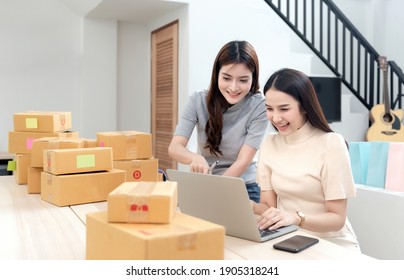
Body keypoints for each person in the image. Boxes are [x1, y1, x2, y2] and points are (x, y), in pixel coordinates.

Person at [252, 68, 360, 251]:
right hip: (290, 240)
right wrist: (249, 206)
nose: (275, 118)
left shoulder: (332, 143)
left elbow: (337, 218)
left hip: (332, 244)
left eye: (284, 109)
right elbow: (269, 207)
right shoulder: (269, 143)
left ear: (304, 106)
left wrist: (296, 217)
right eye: (269, 109)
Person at [168, 40, 268, 203]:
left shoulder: (259, 106)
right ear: (217, 75)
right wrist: (194, 158)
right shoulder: (197, 100)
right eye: (227, 78)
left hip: (243, 187)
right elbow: (175, 147)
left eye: (243, 80)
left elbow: (243, 161)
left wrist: (215, 189)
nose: (234, 87)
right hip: (206, 185)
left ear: (253, 79)